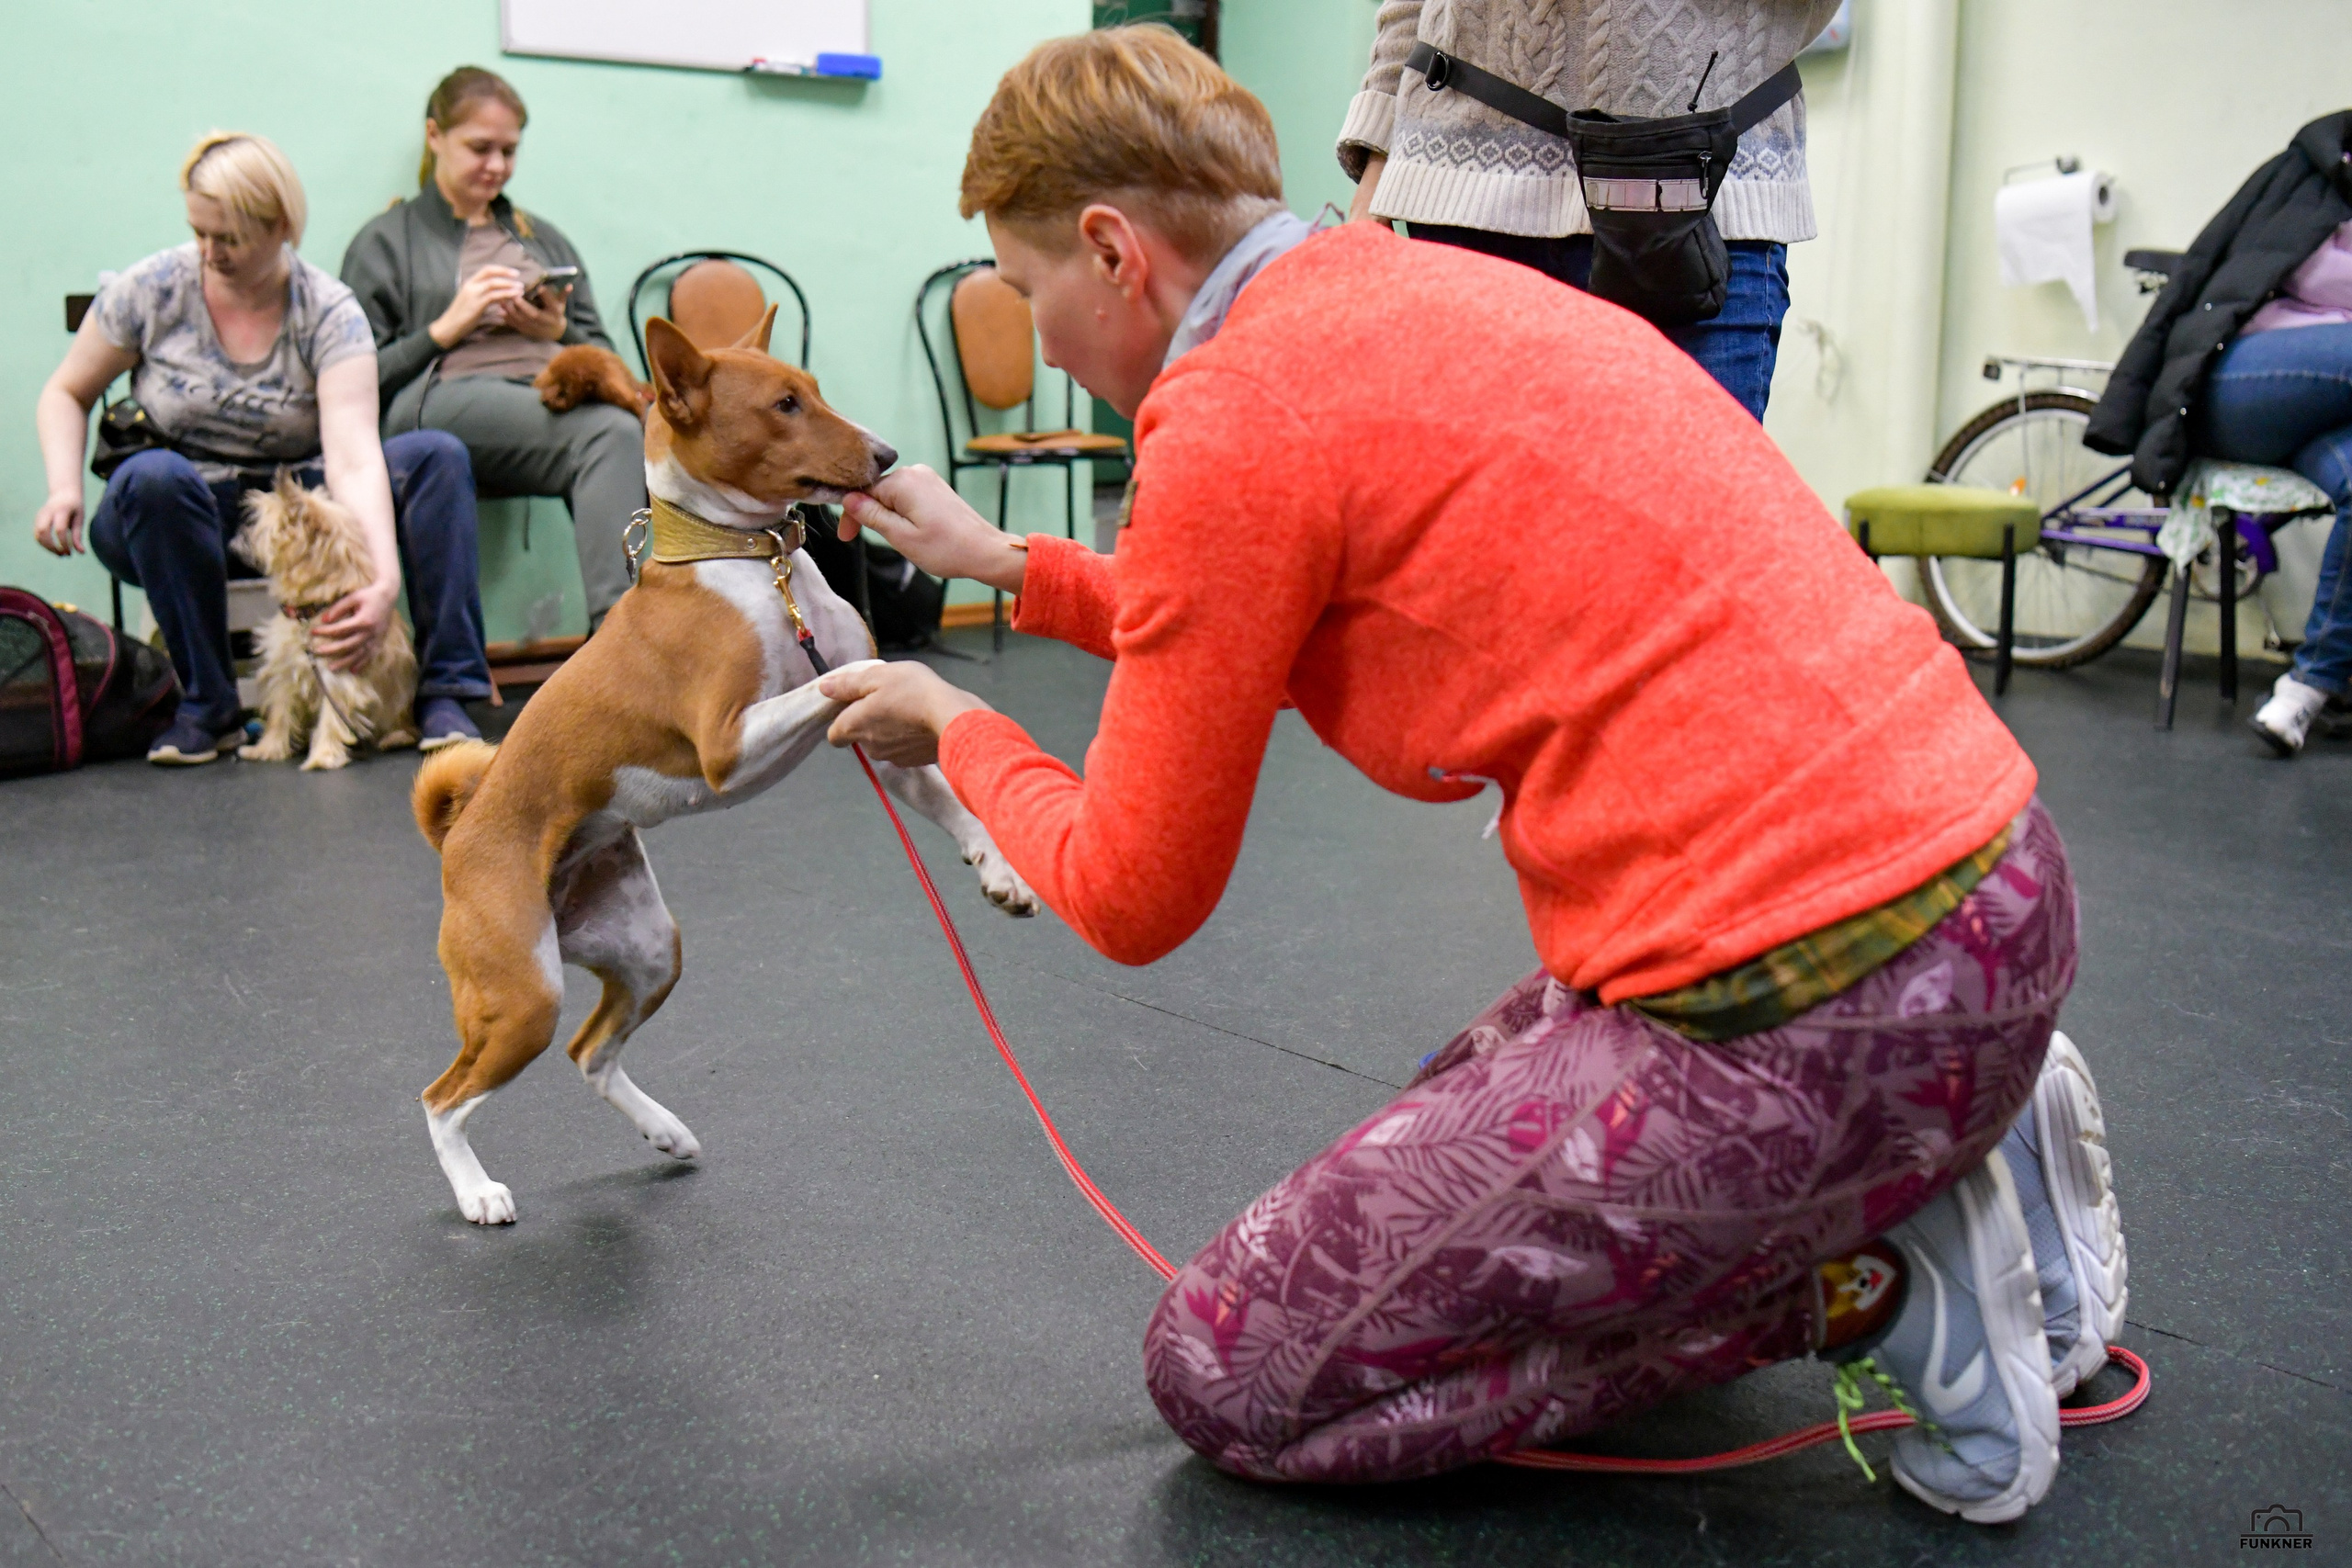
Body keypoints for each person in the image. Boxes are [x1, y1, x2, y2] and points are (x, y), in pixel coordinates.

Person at [817, 29, 2122, 1522]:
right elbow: (1243, 608)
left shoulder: (1235, 409)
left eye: (1025, 283)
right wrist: (1013, 570)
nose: (1036, 335)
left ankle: (1872, 1276)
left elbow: (1130, 891)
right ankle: (1967, 1130)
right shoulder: (1414, 290)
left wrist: (964, 733)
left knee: (1229, 1368)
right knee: (1456, 1111)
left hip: (1822, 1002)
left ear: (1112, 251)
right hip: (1992, 899)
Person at [33, 130, 490, 765]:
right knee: (153, 477)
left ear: (281, 227)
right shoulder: (154, 288)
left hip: (296, 507)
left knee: (437, 456)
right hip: (172, 510)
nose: (210, 252)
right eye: (200, 233)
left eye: (230, 238)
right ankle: (206, 706)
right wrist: (62, 486)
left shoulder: (328, 311)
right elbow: (66, 391)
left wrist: (383, 583)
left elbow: (354, 454)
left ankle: (446, 692)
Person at [1336, 0, 1842, 421]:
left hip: (1707, 206)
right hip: (1466, 196)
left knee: (1685, 535)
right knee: (1479, 538)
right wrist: (1377, 160)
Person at [2086, 110, 2352, 757]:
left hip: (2329, 404)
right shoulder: (2304, 175)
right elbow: (2205, 270)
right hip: (2240, 383)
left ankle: (2307, 688)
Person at [341, 66, 645, 630]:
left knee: (654, 428)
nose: (497, 166)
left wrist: (555, 333)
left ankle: (703, 633)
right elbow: (353, 378)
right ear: (435, 137)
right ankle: (624, 642)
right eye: (480, 148)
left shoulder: (541, 238)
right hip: (439, 397)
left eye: (509, 151)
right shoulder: (386, 240)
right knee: (613, 433)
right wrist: (445, 329)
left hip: (545, 397)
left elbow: (608, 361)